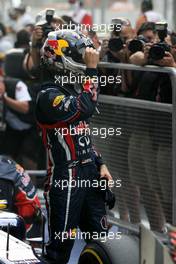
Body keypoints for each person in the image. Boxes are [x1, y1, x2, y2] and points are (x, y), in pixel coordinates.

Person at [36, 29, 112, 263]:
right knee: (61, 248)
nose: (83, 59)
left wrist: (100, 162)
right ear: (59, 58)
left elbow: (83, 134)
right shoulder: (47, 96)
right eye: (78, 56)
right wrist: (91, 70)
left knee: (101, 243)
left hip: (89, 171)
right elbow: (84, 108)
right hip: (65, 177)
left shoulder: (73, 89)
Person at [0, 155, 41, 237]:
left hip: (24, 226)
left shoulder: (4, 176)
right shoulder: (5, 161)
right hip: (31, 219)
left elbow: (3, 212)